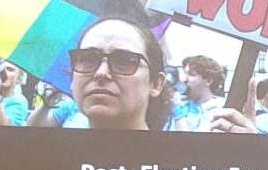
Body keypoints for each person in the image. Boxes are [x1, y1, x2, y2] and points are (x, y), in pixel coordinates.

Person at [27, 18, 172, 130]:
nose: (101, 73)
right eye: (88, 58)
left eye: (124, 61)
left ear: (156, 83)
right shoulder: (44, 162)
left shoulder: (180, 165)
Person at [170, 55, 226, 132]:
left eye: (191, 74)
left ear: (208, 81)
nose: (184, 79)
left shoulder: (219, 112)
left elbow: (191, 143)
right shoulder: (181, 103)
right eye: (185, 73)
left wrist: (179, 114)